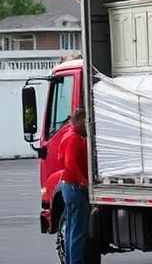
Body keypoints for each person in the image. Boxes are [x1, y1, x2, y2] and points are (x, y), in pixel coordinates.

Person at [58, 108, 89, 264]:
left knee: (71, 229)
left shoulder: (67, 136)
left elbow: (60, 158)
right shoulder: (74, 138)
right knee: (78, 231)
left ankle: (71, 261)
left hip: (68, 187)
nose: (87, 126)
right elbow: (70, 163)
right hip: (75, 188)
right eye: (85, 122)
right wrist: (84, 181)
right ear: (78, 121)